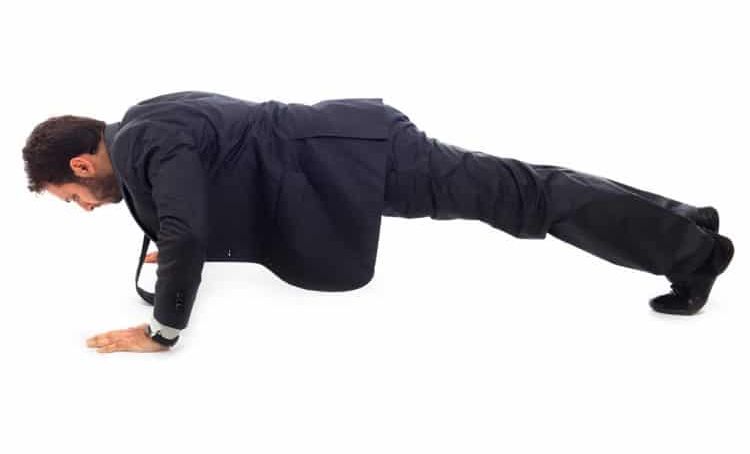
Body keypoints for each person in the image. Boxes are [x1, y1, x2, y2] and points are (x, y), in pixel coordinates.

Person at [22, 91, 735, 353]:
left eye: (70, 195)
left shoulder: (147, 144)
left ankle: (691, 252)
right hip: (353, 151)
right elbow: (224, 169)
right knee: (525, 186)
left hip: (363, 159)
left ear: (82, 163)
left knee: (526, 195)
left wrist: (162, 330)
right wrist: (180, 247)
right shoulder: (145, 119)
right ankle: (683, 222)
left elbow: (185, 226)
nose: (82, 208)